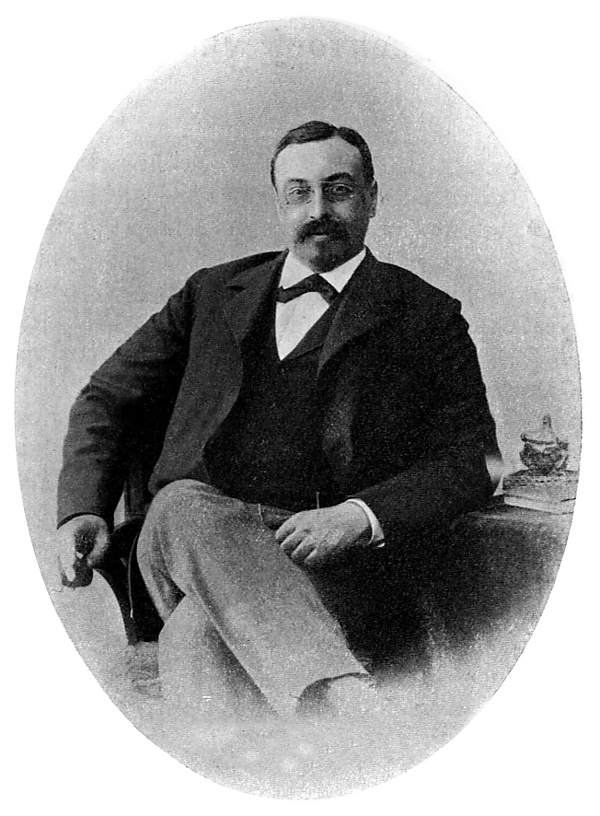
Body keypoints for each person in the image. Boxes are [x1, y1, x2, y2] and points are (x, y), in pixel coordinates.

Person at [55, 121, 500, 719]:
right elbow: (107, 398)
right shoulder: (211, 292)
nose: (318, 210)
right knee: (183, 502)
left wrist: (358, 516)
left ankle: (317, 725)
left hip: (328, 564)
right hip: (183, 538)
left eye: (338, 190)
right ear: (278, 202)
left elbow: (475, 461)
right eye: (299, 193)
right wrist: (83, 508)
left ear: (372, 197)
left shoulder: (425, 315)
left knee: (196, 639)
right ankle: (349, 704)